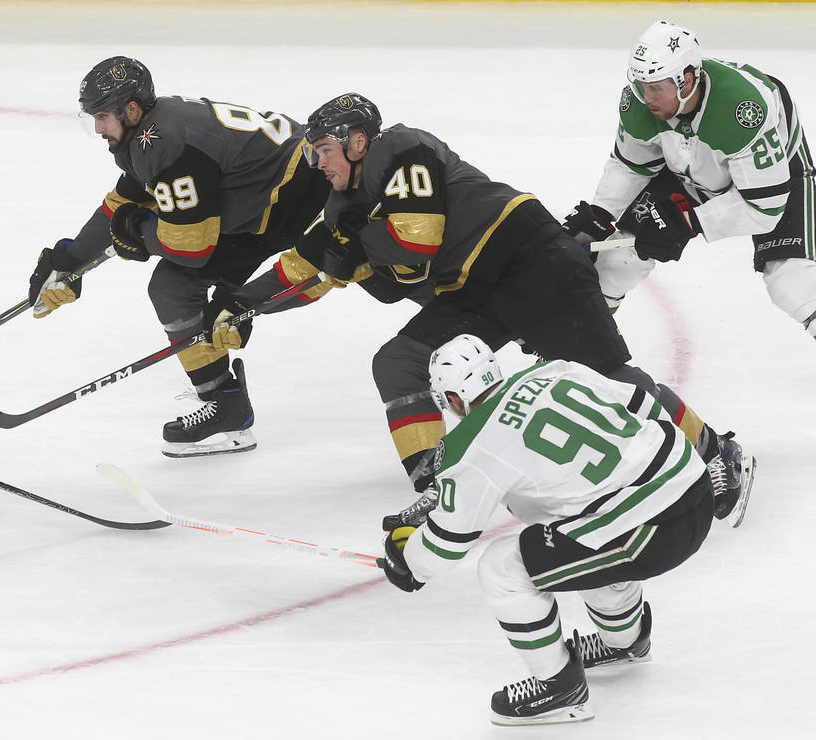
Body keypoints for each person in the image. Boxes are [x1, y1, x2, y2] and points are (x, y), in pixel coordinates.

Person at [217, 92, 751, 527]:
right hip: (472, 290)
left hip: (529, 258)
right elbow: (307, 268)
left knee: (606, 380)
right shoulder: (343, 204)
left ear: (358, 142)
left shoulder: (401, 149)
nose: (318, 161)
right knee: (397, 363)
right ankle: (441, 486)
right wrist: (245, 304)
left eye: (325, 149)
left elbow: (416, 246)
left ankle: (716, 449)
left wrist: (354, 258)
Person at [378, 334, 715, 726]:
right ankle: (625, 642)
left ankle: (560, 689)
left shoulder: (470, 448)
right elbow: (642, 401)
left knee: (503, 567)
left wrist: (408, 559)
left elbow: (443, 549)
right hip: (694, 484)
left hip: (650, 533)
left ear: (452, 399)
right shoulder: (556, 370)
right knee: (578, 534)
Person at [26, 56, 330, 457]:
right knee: (173, 285)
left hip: (303, 200)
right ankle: (227, 409)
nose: (98, 128)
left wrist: (137, 233)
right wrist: (71, 258)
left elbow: (191, 246)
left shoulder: (164, 142)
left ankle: (227, 406)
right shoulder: (152, 130)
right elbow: (126, 200)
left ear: (130, 109)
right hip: (269, 199)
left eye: (102, 116)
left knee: (175, 284)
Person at [564, 20, 815, 335]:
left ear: (686, 80)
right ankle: (578, 346)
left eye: (656, 87)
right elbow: (632, 165)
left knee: (792, 282)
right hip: (689, 166)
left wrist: (689, 221)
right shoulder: (641, 104)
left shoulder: (742, 111)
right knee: (616, 260)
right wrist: (599, 214)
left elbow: (764, 208)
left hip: (773, 174)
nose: (647, 97)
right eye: (642, 85)